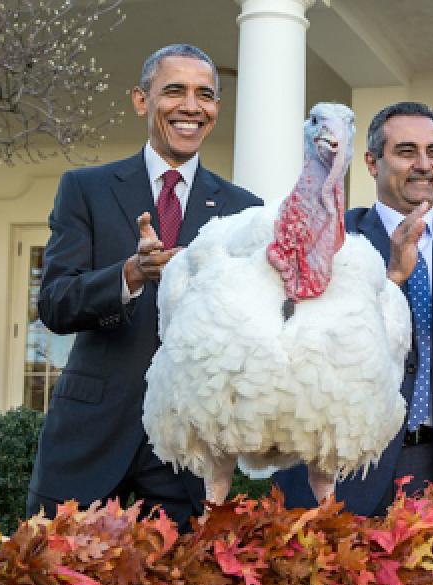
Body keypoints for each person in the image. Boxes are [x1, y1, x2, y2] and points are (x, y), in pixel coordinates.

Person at [26, 44, 262, 531]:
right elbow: (54, 303)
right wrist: (129, 274)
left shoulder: (245, 210)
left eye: (206, 96)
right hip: (91, 434)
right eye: (174, 91)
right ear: (141, 100)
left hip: (189, 450)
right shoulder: (85, 189)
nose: (191, 107)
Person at [274, 101, 433, 516]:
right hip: (348, 467)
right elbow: (303, 338)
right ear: (372, 163)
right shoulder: (332, 237)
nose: (424, 164)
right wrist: (391, 278)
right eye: (407, 151)